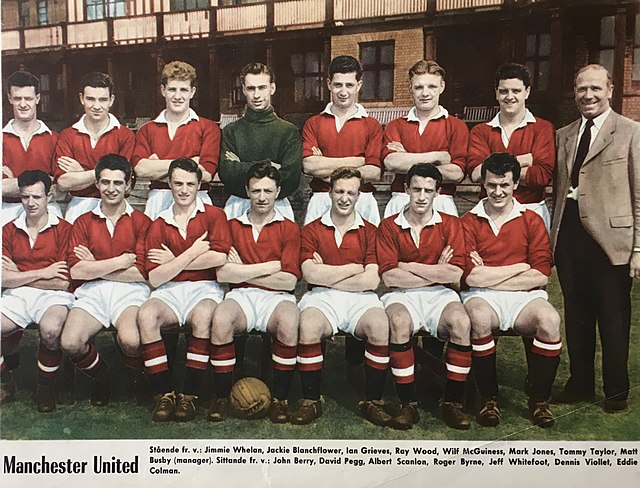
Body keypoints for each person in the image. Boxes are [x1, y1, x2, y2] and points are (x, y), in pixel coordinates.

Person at [550, 64, 640, 413]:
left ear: (610, 90)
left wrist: (637, 248)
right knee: (577, 316)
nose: (588, 95)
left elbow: (638, 194)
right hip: (571, 242)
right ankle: (580, 383)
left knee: (614, 319)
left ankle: (616, 390)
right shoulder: (564, 135)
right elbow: (559, 191)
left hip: (612, 245)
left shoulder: (631, 132)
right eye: (581, 89)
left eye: (595, 89)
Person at [462, 152, 561, 428]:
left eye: (504, 185)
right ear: (483, 184)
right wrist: (520, 267)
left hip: (524, 297)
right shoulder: (469, 221)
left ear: (515, 184)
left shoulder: (531, 219)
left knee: (550, 321)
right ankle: (488, 397)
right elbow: (470, 277)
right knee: (479, 318)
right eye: (492, 185)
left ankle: (539, 400)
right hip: (481, 297)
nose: (498, 191)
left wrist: (489, 274)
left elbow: (541, 272)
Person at [377, 163, 472, 430]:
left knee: (461, 323)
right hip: (401, 294)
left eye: (428, 190)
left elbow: (454, 273)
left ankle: (451, 402)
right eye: (416, 189)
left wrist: (407, 265)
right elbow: (389, 277)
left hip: (439, 294)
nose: (421, 196)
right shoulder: (388, 226)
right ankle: (409, 404)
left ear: (437, 193)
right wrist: (436, 270)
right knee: (398, 323)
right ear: (406, 189)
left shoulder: (451, 223)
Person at [294, 167, 390, 427]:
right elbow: (309, 275)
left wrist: (326, 271)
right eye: (339, 191)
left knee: (380, 326)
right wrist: (352, 268)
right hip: (322, 296)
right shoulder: (312, 229)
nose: (344, 198)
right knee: (309, 325)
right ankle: (311, 399)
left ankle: (373, 400)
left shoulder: (371, 231)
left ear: (359, 196)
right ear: (329, 192)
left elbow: (372, 279)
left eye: (351, 192)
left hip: (362, 297)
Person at [138, 158, 230, 422]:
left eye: (190, 184)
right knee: (146, 315)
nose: (184, 190)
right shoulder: (158, 222)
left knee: (203, 317)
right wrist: (192, 253)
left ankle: (189, 396)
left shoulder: (215, 215)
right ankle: (164, 395)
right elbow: (155, 277)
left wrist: (173, 261)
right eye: (178, 183)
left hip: (204, 288)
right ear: (168, 184)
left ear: (199, 185)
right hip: (168, 290)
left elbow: (219, 259)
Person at [208, 162, 301, 424]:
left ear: (278, 192)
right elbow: (223, 275)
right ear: (247, 191)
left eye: (268, 191)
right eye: (256, 190)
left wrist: (243, 269)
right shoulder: (231, 225)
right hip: (241, 296)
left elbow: (289, 280)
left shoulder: (289, 228)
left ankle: (281, 399)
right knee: (221, 319)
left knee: (289, 321)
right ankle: (222, 397)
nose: (262, 197)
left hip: (277, 298)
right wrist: (269, 267)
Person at [60, 154, 151, 407]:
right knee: (70, 342)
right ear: (97, 184)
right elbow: (77, 272)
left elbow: (143, 273)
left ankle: (136, 379)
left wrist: (95, 265)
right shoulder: (82, 221)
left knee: (131, 340)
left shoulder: (143, 222)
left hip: (130, 292)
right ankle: (103, 376)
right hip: (92, 292)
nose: (111, 189)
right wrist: (120, 261)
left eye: (118, 183)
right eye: (105, 182)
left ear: (129, 185)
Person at [1, 170, 74, 411]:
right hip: (17, 295)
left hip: (54, 296)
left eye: (37, 197)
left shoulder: (65, 229)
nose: (30, 203)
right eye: (25, 197)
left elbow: (63, 282)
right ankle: (5, 382)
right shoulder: (9, 230)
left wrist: (19, 274)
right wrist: (43, 272)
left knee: (51, 330)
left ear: (49, 196)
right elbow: (2, 279)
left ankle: (45, 388)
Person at [467, 63, 555, 229]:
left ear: (527, 92)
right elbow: (476, 173)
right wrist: (522, 160)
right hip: (490, 212)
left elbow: (540, 176)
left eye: (516, 91)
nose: (509, 96)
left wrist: (493, 168)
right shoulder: (481, 131)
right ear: (496, 93)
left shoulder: (542, 128)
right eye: (503, 91)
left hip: (531, 211)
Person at [132, 61, 221, 219]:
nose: (178, 96)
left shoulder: (208, 128)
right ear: (163, 90)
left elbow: (206, 173)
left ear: (192, 92)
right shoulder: (147, 130)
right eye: (172, 89)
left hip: (196, 199)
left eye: (184, 90)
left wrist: (157, 166)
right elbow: (140, 169)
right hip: (157, 201)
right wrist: (189, 162)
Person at [301, 55, 383, 225]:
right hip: (322, 199)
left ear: (359, 85)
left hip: (362, 200)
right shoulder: (313, 123)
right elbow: (309, 166)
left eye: (349, 85)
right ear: (329, 84)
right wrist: (358, 161)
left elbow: (374, 172)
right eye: (338, 85)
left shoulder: (372, 125)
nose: (343, 92)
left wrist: (324, 163)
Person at [382, 60, 468, 218]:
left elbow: (456, 174)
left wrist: (406, 158)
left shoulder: (456, 126)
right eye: (419, 87)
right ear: (411, 88)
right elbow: (391, 163)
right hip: (402, 199)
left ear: (442, 87)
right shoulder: (396, 125)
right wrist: (439, 156)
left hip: (441, 201)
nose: (425, 93)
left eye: (432, 87)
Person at [218, 62, 301, 221]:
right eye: (251, 89)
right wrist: (270, 165)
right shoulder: (231, 131)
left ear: (272, 88)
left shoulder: (288, 131)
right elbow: (228, 174)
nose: (256, 95)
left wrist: (243, 166)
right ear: (243, 90)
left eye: (262, 88)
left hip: (278, 207)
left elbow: (291, 178)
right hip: (238, 206)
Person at [53, 72, 135, 223]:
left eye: (103, 99)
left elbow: (123, 181)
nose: (96, 106)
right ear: (81, 99)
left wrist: (81, 173)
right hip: (77, 209)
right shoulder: (68, 135)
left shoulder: (125, 135)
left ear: (111, 100)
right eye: (91, 99)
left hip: (114, 210)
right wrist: (103, 173)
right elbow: (63, 183)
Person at [2, 71, 61, 226]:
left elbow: (59, 186)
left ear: (38, 99)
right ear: (9, 99)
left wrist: (14, 182)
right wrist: (44, 181)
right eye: (17, 98)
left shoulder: (54, 138)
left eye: (28, 98)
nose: (23, 104)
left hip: (47, 210)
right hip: (7, 211)